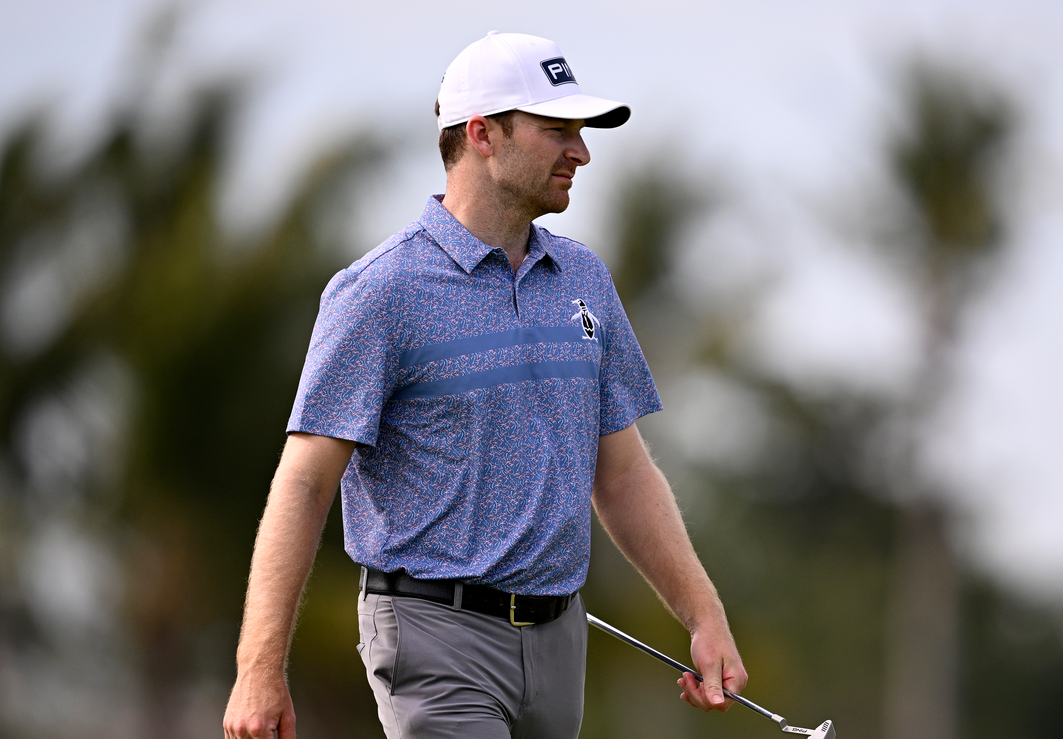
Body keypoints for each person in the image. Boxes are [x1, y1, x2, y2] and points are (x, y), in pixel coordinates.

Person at [222, 31, 746, 739]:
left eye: (580, 133)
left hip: (559, 640)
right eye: (556, 129)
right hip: (434, 635)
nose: (581, 152)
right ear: (481, 135)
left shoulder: (583, 278)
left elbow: (621, 472)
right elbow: (305, 483)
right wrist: (259, 666)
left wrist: (703, 615)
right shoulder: (380, 293)